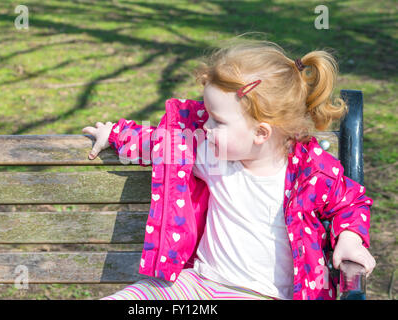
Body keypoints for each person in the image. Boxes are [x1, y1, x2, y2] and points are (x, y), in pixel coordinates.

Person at [82, 38, 375, 300]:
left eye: (216, 121)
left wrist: (350, 240)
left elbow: (350, 201)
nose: (204, 127)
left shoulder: (311, 173)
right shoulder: (209, 153)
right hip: (197, 285)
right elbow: (160, 142)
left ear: (261, 133)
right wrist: (116, 135)